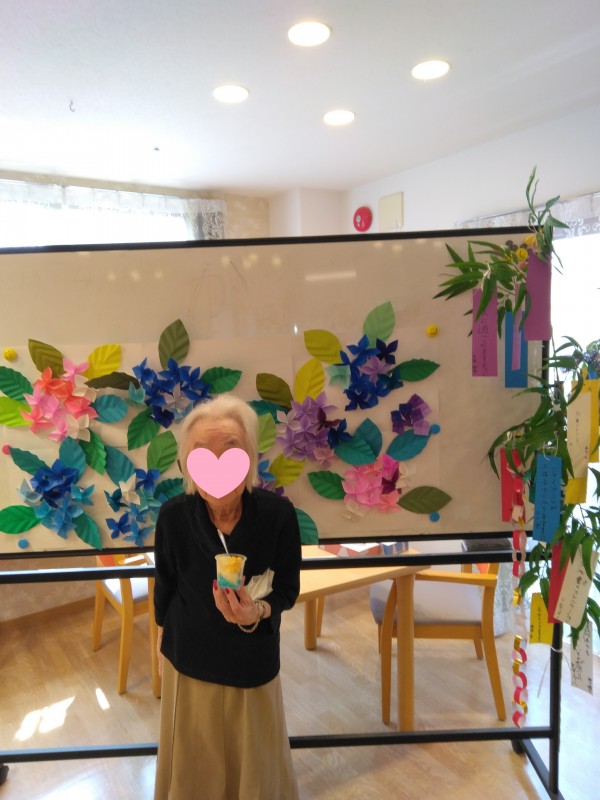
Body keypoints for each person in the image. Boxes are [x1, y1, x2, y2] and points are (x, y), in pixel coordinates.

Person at [153, 394, 302, 800]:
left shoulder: (277, 516)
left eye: (231, 452)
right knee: (193, 768)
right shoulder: (173, 517)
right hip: (189, 659)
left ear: (251, 459)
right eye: (202, 455)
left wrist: (257, 611)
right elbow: (165, 589)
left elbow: (287, 588)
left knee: (254, 768)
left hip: (252, 662)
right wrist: (161, 648)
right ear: (187, 465)